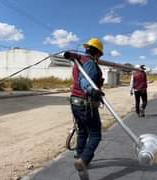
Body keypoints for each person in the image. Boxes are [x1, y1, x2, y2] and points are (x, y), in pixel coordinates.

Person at [68, 38, 105, 179]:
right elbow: (84, 81)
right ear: (97, 53)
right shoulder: (89, 63)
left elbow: (80, 79)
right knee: (95, 134)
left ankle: (79, 155)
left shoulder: (79, 61)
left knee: (82, 131)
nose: (99, 58)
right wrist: (92, 90)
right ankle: (83, 160)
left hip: (75, 102)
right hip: (85, 103)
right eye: (100, 55)